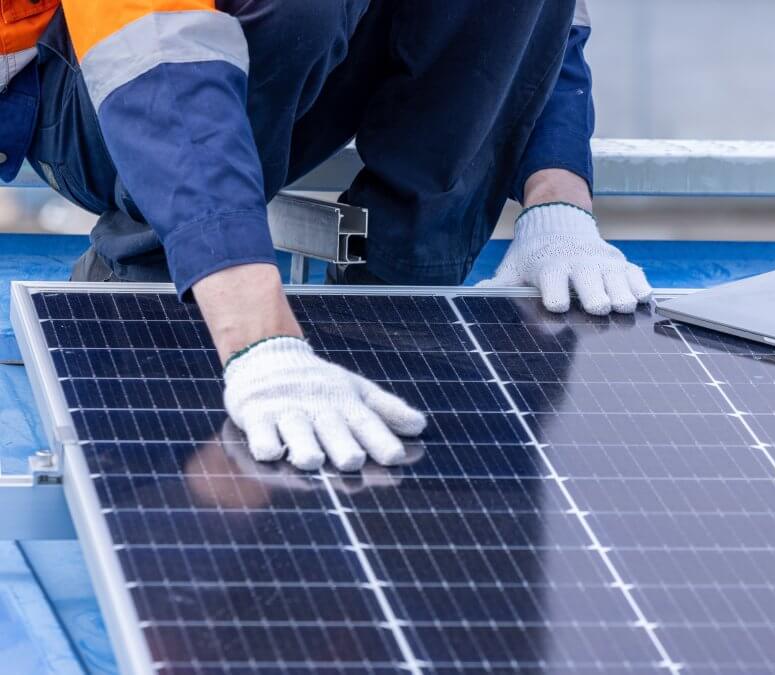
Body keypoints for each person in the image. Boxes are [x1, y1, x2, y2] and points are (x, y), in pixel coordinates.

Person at [0, 0, 653, 471]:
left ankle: (396, 299)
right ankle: (153, 282)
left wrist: (558, 203)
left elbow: (536, 26)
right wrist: (259, 338)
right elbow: (156, 50)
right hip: (95, 85)